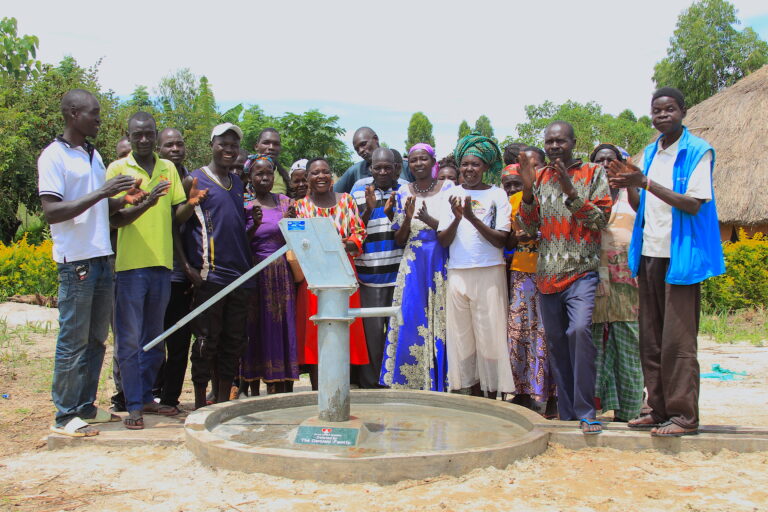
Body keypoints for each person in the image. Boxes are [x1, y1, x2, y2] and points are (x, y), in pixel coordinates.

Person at [608, 87, 725, 437]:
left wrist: (643, 180)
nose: (662, 116)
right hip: (650, 254)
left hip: (681, 258)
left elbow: (692, 203)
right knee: (652, 339)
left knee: (678, 342)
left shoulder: (697, 152)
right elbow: (641, 201)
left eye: (669, 109)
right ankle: (657, 409)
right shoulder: (650, 153)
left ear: (683, 112)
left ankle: (684, 416)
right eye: (656, 110)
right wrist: (628, 182)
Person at [39, 89, 141, 437]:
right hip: (76, 263)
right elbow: (52, 211)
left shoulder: (92, 155)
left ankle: (84, 406)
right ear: (71, 114)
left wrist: (134, 199)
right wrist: (102, 191)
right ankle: (65, 415)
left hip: (101, 258)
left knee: (97, 339)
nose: (98, 119)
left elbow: (102, 209)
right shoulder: (55, 157)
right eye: (93, 113)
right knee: (73, 340)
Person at [517, 121, 612, 434]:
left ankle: (587, 412)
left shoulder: (593, 174)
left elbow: (599, 221)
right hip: (547, 277)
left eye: (560, 140)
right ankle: (569, 415)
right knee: (557, 346)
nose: (554, 146)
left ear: (573, 141)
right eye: (549, 141)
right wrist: (528, 192)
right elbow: (528, 231)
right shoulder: (540, 177)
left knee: (580, 332)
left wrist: (571, 191)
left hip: (582, 273)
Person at [107, 111, 193, 429]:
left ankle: (145, 397)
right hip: (130, 268)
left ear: (155, 136)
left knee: (154, 340)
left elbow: (173, 218)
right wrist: (144, 204)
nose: (143, 140)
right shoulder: (118, 169)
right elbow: (114, 219)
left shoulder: (167, 168)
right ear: (128, 136)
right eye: (137, 135)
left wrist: (193, 201)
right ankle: (132, 406)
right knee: (129, 342)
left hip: (161, 266)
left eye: (148, 134)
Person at [180, 123, 255, 409]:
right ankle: (200, 405)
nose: (229, 149)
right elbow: (176, 223)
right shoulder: (195, 179)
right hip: (210, 275)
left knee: (233, 343)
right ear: (212, 144)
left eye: (234, 145)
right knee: (205, 341)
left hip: (240, 276)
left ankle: (222, 402)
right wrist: (186, 265)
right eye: (223, 143)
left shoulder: (237, 183)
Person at [437, 133, 515, 399]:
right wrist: (458, 219)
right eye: (466, 164)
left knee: (490, 334)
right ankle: (466, 390)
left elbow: (500, 240)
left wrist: (472, 217)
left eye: (476, 164)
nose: (470, 169)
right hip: (458, 272)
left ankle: (492, 392)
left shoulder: (497, 195)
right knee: (461, 336)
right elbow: (443, 240)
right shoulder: (451, 194)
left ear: (485, 168)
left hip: (489, 271)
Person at [380, 143, 454, 391]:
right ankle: (410, 381)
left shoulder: (448, 188)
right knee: (410, 316)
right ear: (407, 165)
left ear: (434, 163)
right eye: (413, 160)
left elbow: (450, 231)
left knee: (442, 318)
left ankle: (442, 381)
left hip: (440, 259)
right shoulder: (403, 191)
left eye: (423, 159)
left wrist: (429, 221)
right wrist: (408, 217)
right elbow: (400, 239)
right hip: (412, 263)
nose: (419, 164)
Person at [295, 157, 369, 388]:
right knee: (317, 329)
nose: (321, 177)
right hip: (314, 274)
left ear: (332, 175)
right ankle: (319, 389)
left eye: (325, 172)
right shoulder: (300, 206)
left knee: (344, 325)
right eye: (315, 173)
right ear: (307, 177)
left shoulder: (346, 201)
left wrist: (343, 244)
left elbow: (359, 232)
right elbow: (300, 241)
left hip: (343, 270)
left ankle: (341, 387)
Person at [587, 143, 643, 423]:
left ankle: (630, 410)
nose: (605, 164)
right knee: (594, 348)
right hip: (593, 281)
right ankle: (593, 409)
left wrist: (630, 182)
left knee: (628, 346)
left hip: (628, 283)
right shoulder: (586, 195)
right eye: (599, 160)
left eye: (611, 160)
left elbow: (644, 217)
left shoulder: (632, 195)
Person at [239, 155, 299, 395]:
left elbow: (296, 238)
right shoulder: (244, 204)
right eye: (259, 174)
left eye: (268, 173)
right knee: (255, 328)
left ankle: (283, 388)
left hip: (281, 274)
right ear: (250, 178)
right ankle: (254, 389)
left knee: (282, 325)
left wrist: (293, 224)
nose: (264, 178)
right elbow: (241, 243)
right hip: (255, 272)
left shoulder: (285, 203)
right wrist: (253, 225)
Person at [504, 148, 557, 415]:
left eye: (534, 165)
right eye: (524, 165)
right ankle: (523, 393)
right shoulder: (513, 200)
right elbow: (511, 237)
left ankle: (553, 397)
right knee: (520, 334)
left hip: (553, 272)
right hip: (523, 272)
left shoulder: (555, 195)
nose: (529, 170)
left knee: (548, 335)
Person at [350, 147, 407, 388]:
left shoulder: (405, 191)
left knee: (397, 335)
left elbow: (407, 232)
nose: (382, 171)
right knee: (372, 338)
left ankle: (395, 384)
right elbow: (353, 234)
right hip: (369, 277)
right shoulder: (357, 195)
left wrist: (393, 211)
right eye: (377, 167)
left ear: (396, 168)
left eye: (388, 167)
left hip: (399, 277)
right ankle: (371, 387)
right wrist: (367, 209)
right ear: (370, 168)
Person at [152, 128, 200, 412]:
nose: (175, 148)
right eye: (168, 144)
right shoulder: (159, 178)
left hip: (186, 274)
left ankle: (170, 397)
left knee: (180, 339)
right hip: (161, 270)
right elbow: (171, 224)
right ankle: (153, 393)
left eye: (179, 143)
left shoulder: (191, 178)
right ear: (159, 149)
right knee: (156, 337)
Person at [334, 127, 414, 193]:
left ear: (376, 139)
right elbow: (334, 193)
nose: (360, 151)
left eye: (363, 144)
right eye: (356, 149)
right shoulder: (355, 171)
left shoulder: (405, 166)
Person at [247, 128, 291, 195]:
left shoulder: (284, 177)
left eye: (276, 144)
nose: (271, 147)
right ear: (256, 146)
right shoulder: (245, 171)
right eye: (266, 143)